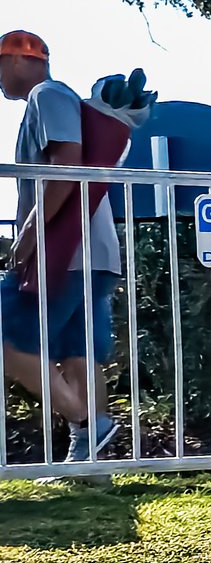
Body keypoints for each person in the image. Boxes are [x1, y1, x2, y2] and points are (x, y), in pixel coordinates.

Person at [0, 31, 122, 460]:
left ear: (15, 60)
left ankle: (90, 424)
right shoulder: (55, 98)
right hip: (94, 252)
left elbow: (68, 161)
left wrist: (30, 232)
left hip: (63, 250)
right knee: (79, 352)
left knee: (7, 338)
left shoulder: (46, 96)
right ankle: (89, 464)